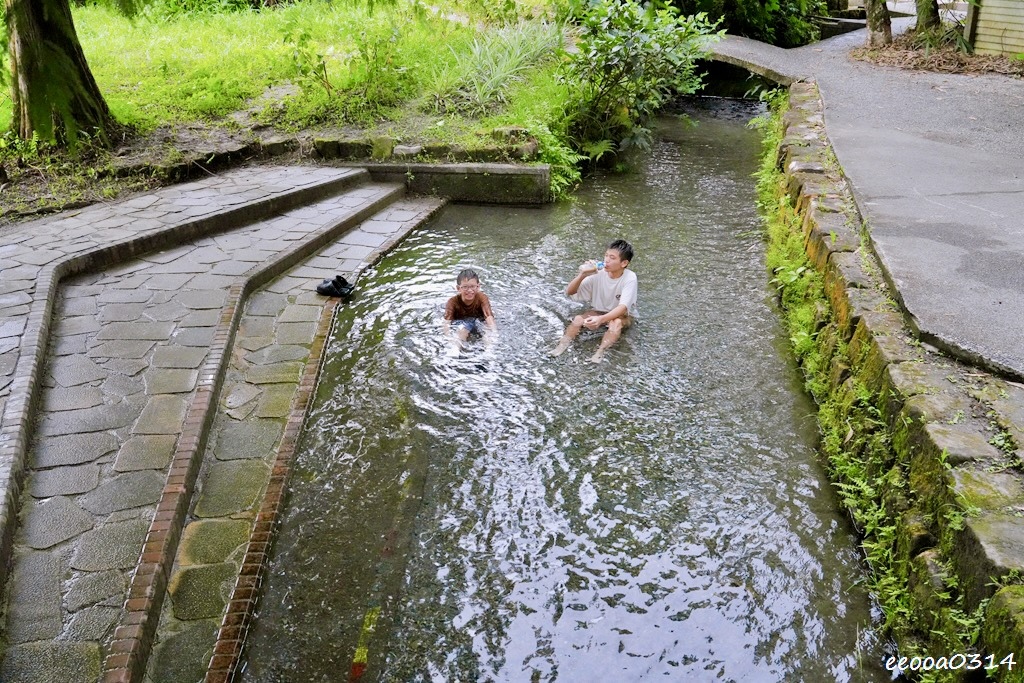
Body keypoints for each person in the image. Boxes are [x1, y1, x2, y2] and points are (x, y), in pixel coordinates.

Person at [551, 239, 637, 363]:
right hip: (598, 311)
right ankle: (562, 345)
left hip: (622, 315)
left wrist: (601, 320)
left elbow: (623, 307)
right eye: (606, 256)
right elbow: (570, 292)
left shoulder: (630, 278)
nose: (607, 260)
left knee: (616, 323)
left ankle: (600, 352)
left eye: (612, 258)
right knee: (578, 319)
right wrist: (582, 275)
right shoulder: (598, 272)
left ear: (623, 263)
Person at [444, 268, 497, 350]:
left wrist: (494, 332)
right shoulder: (452, 302)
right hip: (462, 323)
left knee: (487, 331)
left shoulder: (482, 298)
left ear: (478, 286)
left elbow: (488, 316)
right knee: (462, 331)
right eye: (465, 287)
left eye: (473, 287)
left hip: (479, 321)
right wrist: (447, 338)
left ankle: (490, 352)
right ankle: (454, 353)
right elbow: (446, 322)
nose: (469, 290)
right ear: (458, 288)